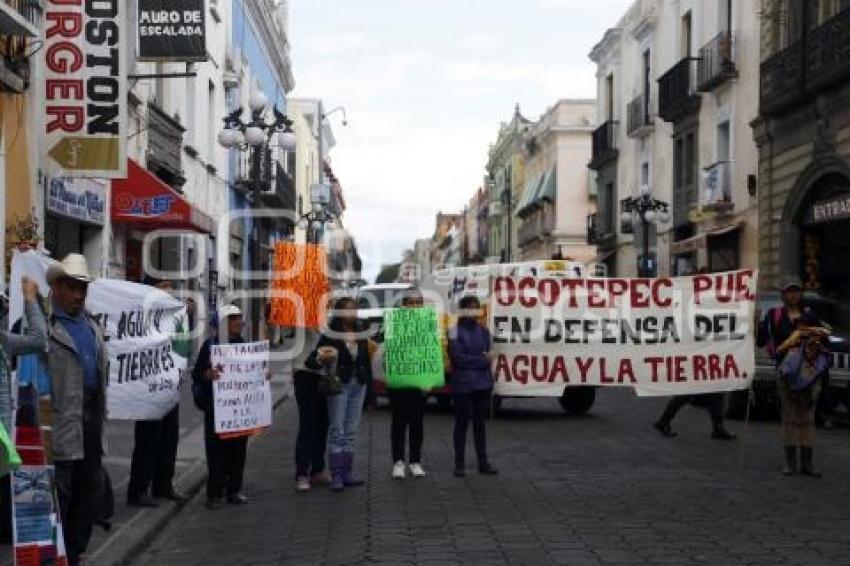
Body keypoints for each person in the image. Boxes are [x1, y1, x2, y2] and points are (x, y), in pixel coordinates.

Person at [46, 254, 108, 566]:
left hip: (92, 420)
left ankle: (75, 551)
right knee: (62, 496)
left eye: (82, 288)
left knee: (91, 491)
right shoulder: (45, 327)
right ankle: (59, 556)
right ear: (57, 287)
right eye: (72, 288)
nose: (79, 295)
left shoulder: (92, 325)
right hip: (61, 425)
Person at [126, 277, 187, 507]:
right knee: (147, 442)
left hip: (169, 387)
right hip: (148, 390)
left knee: (169, 440)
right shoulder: (140, 317)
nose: (169, 290)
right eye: (163, 286)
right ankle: (138, 490)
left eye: (169, 286)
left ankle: (163, 486)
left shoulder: (173, 316)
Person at [306, 297, 372, 492]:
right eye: (347, 310)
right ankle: (336, 474)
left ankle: (347, 472)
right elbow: (312, 361)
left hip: (358, 385)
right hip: (339, 385)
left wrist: (370, 393)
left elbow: (366, 361)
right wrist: (325, 359)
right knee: (337, 429)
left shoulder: (360, 331)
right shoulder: (331, 334)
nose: (352, 313)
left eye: (354, 309)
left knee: (351, 430)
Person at [192, 304, 251, 509]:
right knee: (216, 451)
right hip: (216, 408)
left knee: (238, 450)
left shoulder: (244, 345)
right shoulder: (210, 346)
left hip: (238, 409)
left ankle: (234, 489)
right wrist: (207, 375)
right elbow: (197, 374)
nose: (238, 323)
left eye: (239, 318)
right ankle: (215, 492)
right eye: (233, 319)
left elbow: (251, 373)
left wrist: (262, 375)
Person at [756, 276, 812, 475]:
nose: (793, 294)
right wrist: (756, 322)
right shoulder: (774, 315)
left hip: (808, 374)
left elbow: (822, 340)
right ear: (783, 295)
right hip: (785, 373)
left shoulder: (809, 315)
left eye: (796, 290)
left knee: (806, 417)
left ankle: (807, 464)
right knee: (789, 416)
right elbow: (761, 341)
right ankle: (790, 463)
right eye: (789, 291)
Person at [448, 295, 497, 477]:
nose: (474, 310)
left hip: (482, 384)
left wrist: (482, 359)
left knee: (480, 425)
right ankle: (459, 464)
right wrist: (482, 359)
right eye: (469, 307)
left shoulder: (484, 332)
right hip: (463, 384)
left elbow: (491, 355)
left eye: (476, 307)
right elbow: (458, 359)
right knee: (461, 424)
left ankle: (483, 462)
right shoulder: (453, 331)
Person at [386, 289, 428, 480]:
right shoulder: (394, 324)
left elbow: (431, 355)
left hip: (419, 383)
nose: (414, 306)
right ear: (404, 305)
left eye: (417, 302)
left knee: (417, 423)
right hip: (399, 382)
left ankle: (415, 461)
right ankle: (398, 462)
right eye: (410, 302)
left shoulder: (428, 326)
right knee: (398, 422)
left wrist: (428, 379)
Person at [292, 326, 329, 492]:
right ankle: (302, 472)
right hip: (304, 373)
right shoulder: (302, 318)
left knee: (323, 422)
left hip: (324, 375)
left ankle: (317, 468)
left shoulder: (328, 319)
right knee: (308, 422)